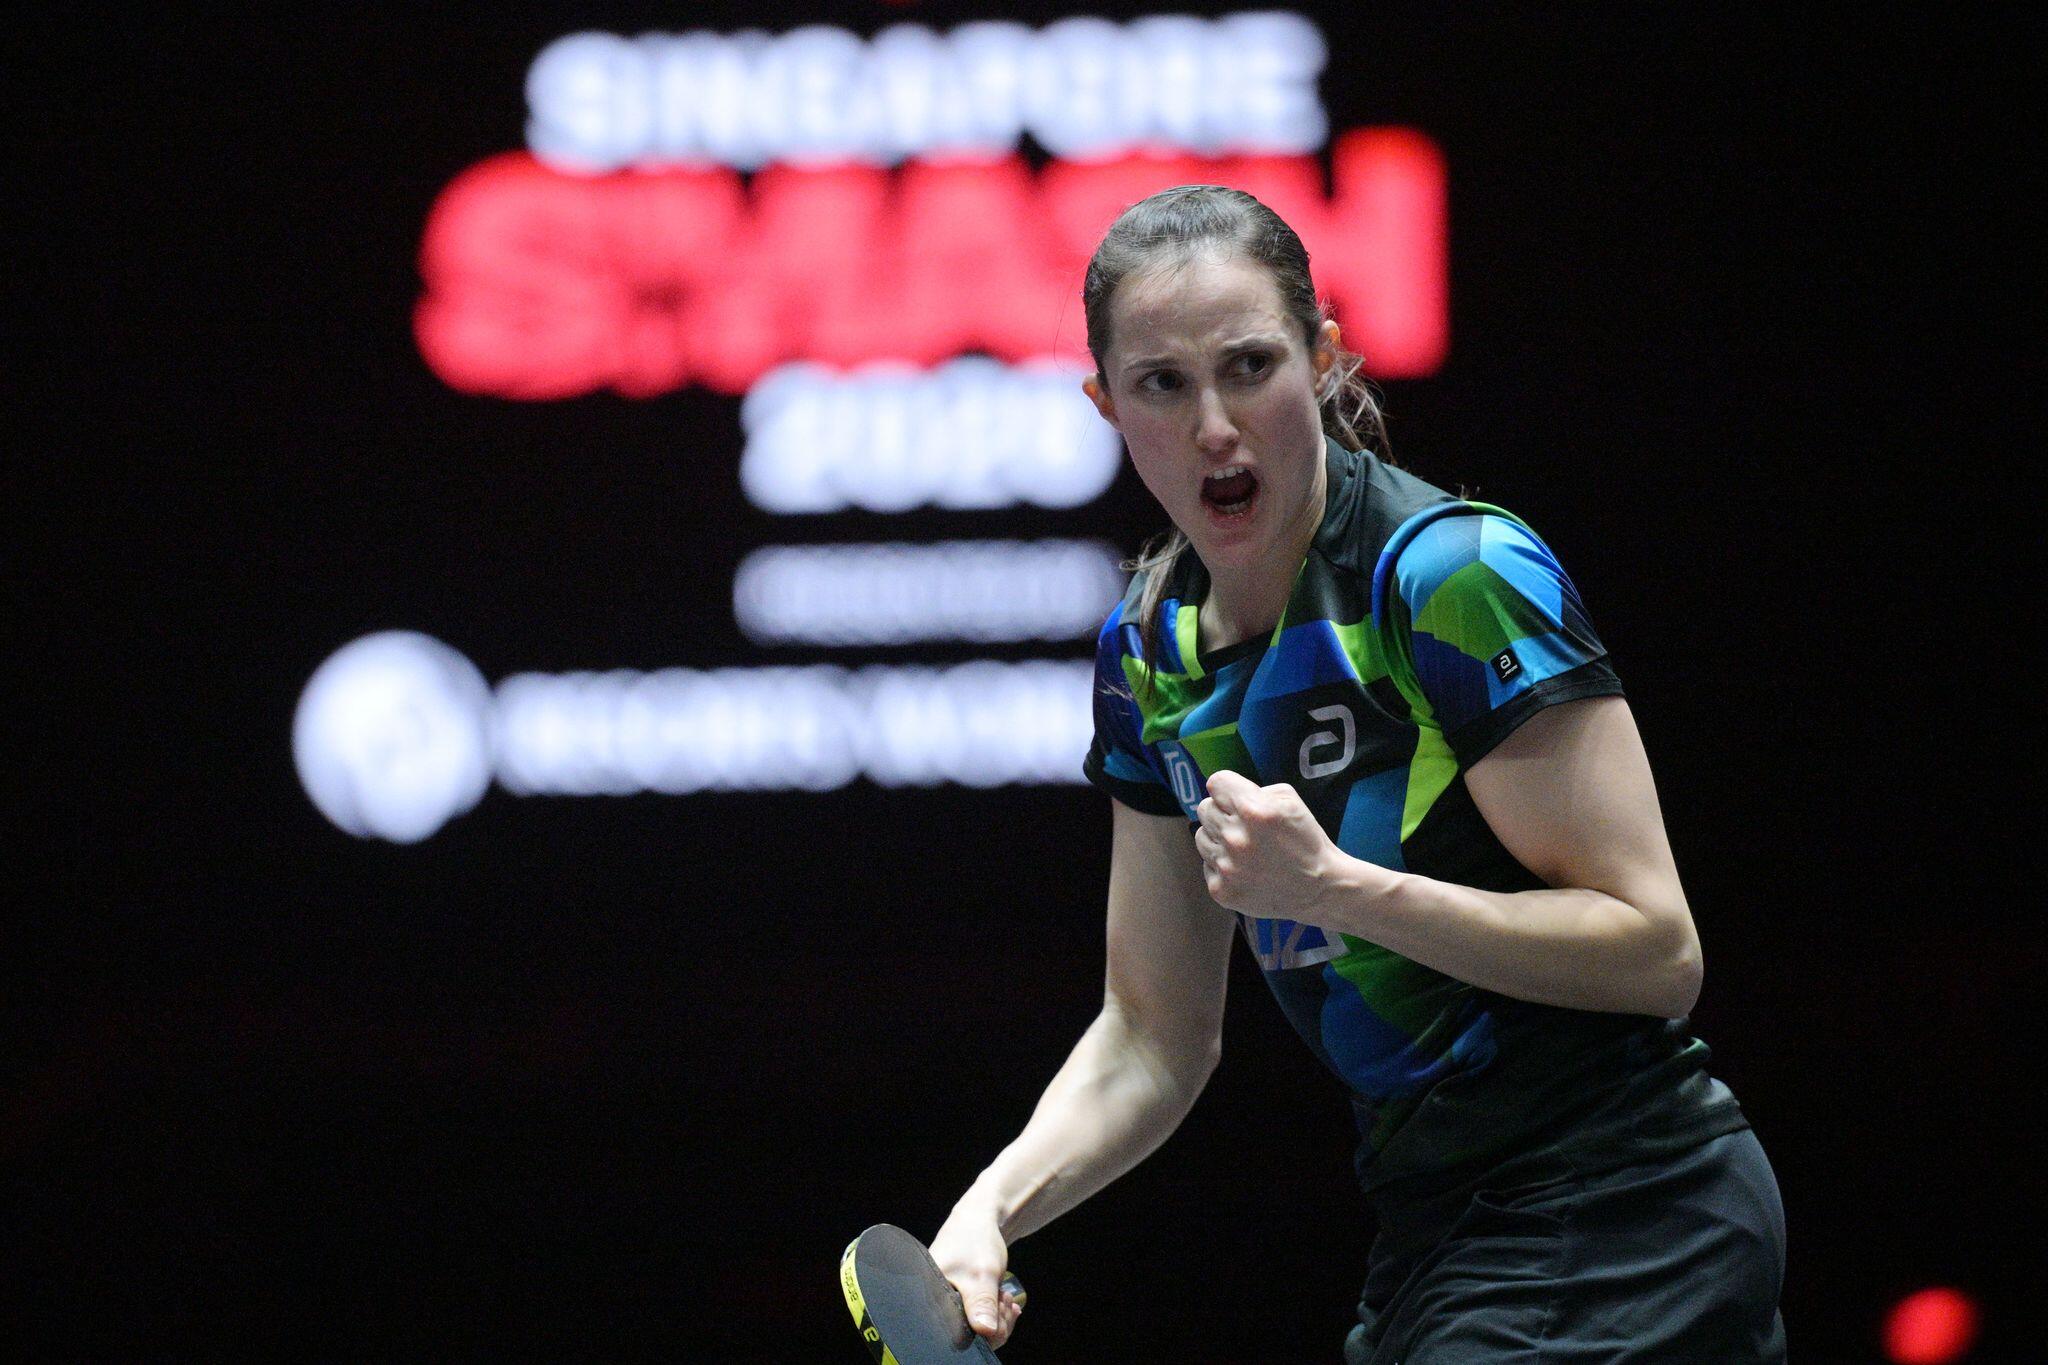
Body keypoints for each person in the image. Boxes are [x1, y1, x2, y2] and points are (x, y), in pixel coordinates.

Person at [928, 185, 1786, 1361]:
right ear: (1105, 405)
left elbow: (1654, 953)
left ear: (1323, 359)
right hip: (1434, 1233)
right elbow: (1151, 1036)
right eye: (1160, 385)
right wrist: (991, 1211)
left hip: (1626, 1209)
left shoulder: (1450, 577)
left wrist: (1336, 890)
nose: (1213, 426)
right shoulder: (1146, 657)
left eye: (1248, 367)